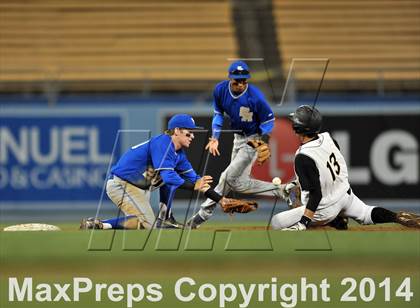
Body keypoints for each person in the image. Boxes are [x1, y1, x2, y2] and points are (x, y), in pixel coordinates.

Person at [80, 114, 242, 230]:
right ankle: (99, 224)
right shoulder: (163, 144)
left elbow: (196, 181)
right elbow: (171, 178)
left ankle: (165, 218)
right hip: (121, 185)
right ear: (176, 130)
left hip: (137, 187)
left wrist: (221, 200)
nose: (192, 136)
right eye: (189, 132)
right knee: (148, 223)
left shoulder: (179, 155)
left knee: (144, 221)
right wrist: (195, 185)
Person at [271, 105, 420, 230]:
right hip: (345, 195)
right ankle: (396, 216)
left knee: (276, 222)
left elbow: (316, 195)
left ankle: (335, 220)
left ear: (297, 128)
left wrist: (303, 223)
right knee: (366, 213)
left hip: (325, 209)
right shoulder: (328, 138)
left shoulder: (302, 156)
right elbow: (325, 167)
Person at [187, 60, 291, 228]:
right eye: (237, 81)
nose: (241, 84)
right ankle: (283, 190)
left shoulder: (255, 97)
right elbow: (218, 114)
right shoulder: (220, 90)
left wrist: (262, 141)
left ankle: (202, 215)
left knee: (226, 176)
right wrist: (215, 137)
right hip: (237, 138)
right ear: (230, 78)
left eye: (244, 80)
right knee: (238, 183)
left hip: (252, 139)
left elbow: (269, 121)